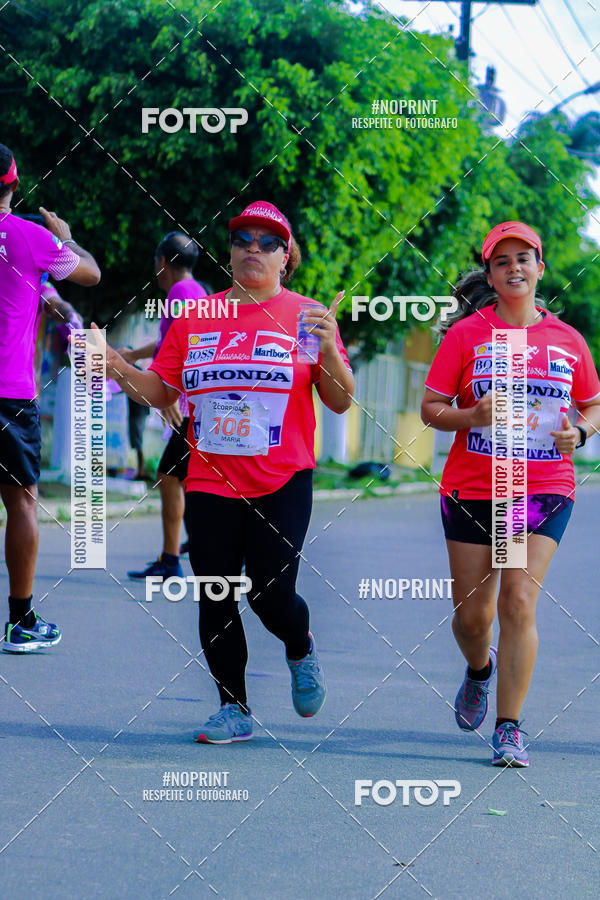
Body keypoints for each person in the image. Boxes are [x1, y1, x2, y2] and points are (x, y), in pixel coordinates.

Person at [87, 201, 354, 742]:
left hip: (282, 479)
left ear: (286, 257)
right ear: (230, 252)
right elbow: (162, 391)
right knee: (215, 591)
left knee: (269, 594)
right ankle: (234, 708)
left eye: (267, 241)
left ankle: (299, 647)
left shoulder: (306, 317)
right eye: (242, 239)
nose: (253, 247)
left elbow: (340, 401)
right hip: (210, 478)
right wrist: (117, 366)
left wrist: (328, 348)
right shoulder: (197, 317)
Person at [421, 221, 600, 766]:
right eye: (503, 261)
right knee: (472, 619)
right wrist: (471, 414)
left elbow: (593, 404)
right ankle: (479, 669)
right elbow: (432, 409)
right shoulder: (466, 336)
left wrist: (582, 432)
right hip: (474, 487)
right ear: (492, 275)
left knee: (518, 600)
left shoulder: (568, 341)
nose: (515, 267)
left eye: (525, 258)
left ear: (540, 269)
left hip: (543, 487)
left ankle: (510, 726)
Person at [0, 144, 101, 652]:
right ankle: (20, 621)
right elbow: (89, 273)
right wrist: (67, 237)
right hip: (10, 394)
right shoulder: (34, 238)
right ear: (13, 186)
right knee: (21, 501)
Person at [122, 232, 207, 579]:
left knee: (170, 477)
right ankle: (187, 550)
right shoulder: (196, 290)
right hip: (192, 401)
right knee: (180, 477)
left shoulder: (178, 292)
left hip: (185, 403)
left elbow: (179, 346)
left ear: (162, 262)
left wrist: (168, 396)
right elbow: (167, 343)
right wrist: (133, 355)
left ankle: (173, 560)